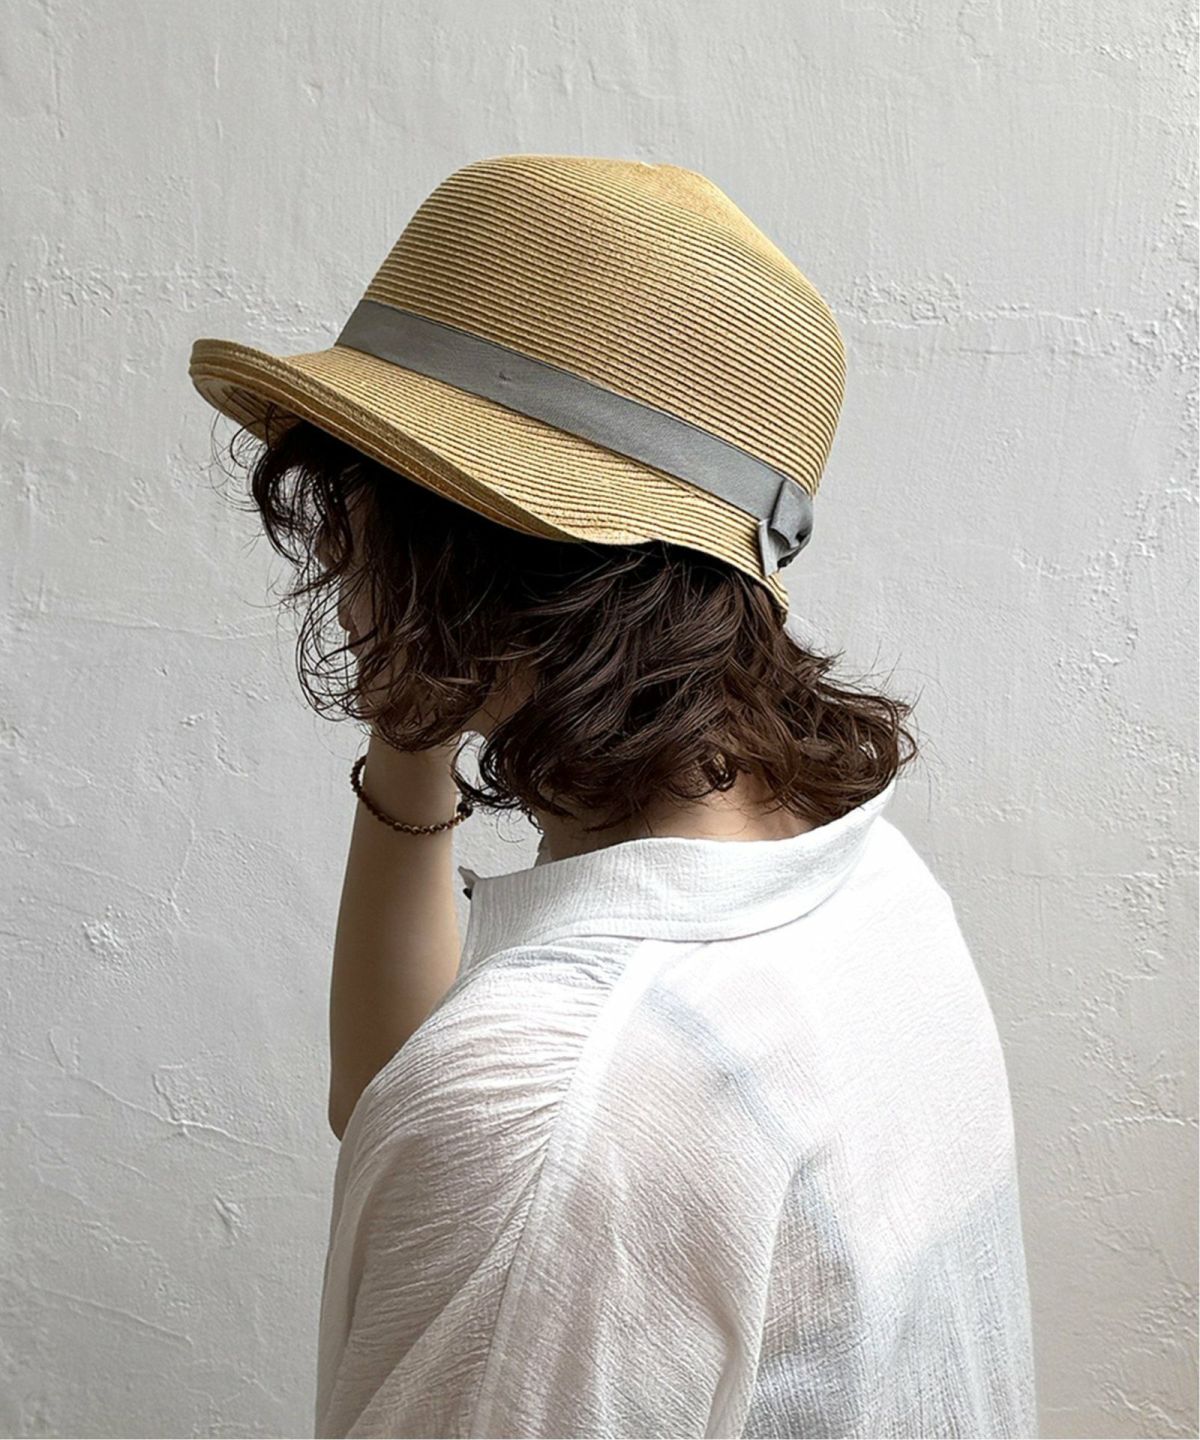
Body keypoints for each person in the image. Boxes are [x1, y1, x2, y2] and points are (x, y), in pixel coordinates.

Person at [189, 154, 1037, 1438]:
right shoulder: (863, 886)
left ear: (461, 549)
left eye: (360, 491)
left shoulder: (552, 1119)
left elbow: (486, 1127)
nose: (334, 543)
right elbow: (388, 1097)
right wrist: (414, 715)